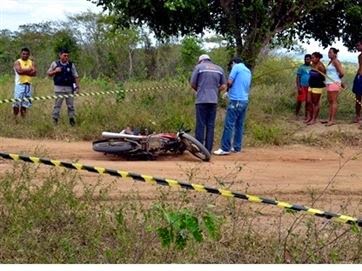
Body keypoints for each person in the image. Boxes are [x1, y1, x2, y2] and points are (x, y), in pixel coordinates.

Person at [214, 57, 252, 155]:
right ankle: (237, 147)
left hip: (236, 99)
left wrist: (227, 91)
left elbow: (230, 82)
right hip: (244, 99)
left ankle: (225, 148)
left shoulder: (236, 67)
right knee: (239, 124)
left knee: (229, 124)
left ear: (233, 63)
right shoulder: (248, 70)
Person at [190, 54, 227, 153]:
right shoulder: (219, 69)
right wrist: (215, 90)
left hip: (201, 100)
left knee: (200, 124)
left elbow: (192, 83)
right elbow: (224, 86)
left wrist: (199, 90)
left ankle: (199, 148)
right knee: (210, 125)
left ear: (200, 61)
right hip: (213, 100)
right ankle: (208, 149)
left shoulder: (199, 68)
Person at [47, 48, 80, 126]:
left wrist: (77, 87)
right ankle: (55, 120)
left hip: (69, 88)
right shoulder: (55, 63)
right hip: (59, 88)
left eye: (67, 56)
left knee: (71, 105)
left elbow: (76, 76)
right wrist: (55, 71)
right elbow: (48, 73)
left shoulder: (71, 64)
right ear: (60, 55)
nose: (66, 57)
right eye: (64, 55)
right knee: (57, 105)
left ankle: (72, 120)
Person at [13, 47, 37, 119]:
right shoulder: (17, 62)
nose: (25, 55)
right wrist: (29, 70)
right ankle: (15, 118)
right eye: (23, 54)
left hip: (28, 85)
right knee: (16, 103)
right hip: (19, 85)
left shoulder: (31, 62)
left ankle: (23, 119)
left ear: (29, 54)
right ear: (21, 54)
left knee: (25, 104)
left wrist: (24, 71)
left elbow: (34, 73)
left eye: (27, 54)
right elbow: (19, 71)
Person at [325, 47, 344, 126]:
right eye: (328, 52)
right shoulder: (330, 61)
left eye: (330, 52)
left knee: (333, 101)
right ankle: (329, 119)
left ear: (335, 54)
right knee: (330, 101)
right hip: (329, 83)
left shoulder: (336, 61)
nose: (329, 54)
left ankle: (332, 120)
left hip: (334, 83)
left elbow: (342, 73)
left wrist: (337, 80)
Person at [306, 52, 326, 125]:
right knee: (309, 101)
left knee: (315, 102)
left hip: (317, 86)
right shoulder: (312, 64)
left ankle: (314, 119)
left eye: (313, 58)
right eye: (311, 58)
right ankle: (310, 117)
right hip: (311, 85)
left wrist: (317, 74)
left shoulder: (321, 66)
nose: (311, 59)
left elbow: (324, 77)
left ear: (318, 58)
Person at [295, 54, 311, 120]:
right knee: (300, 101)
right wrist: (298, 86)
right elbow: (298, 77)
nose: (306, 60)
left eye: (308, 59)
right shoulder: (301, 67)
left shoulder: (312, 67)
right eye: (305, 59)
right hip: (302, 86)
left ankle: (306, 115)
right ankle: (296, 114)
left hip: (309, 87)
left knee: (308, 101)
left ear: (310, 60)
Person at [352, 41, 362, 124]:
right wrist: (356, 77)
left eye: (358, 45)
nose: (356, 47)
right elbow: (360, 67)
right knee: (358, 98)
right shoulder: (359, 56)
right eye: (356, 45)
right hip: (359, 77)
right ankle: (357, 116)